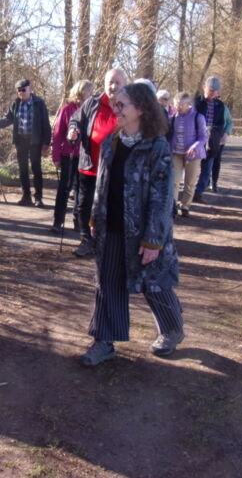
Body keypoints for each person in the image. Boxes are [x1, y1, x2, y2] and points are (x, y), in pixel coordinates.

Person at [78, 81, 184, 366]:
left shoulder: (157, 147)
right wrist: (93, 217)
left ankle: (172, 329)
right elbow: (101, 184)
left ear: (141, 109)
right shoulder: (112, 141)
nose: (116, 109)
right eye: (115, 104)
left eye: (122, 105)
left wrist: (153, 240)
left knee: (153, 283)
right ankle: (104, 340)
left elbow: (162, 199)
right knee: (108, 282)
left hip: (144, 232)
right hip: (110, 226)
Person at [67, 68, 128, 257]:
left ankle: (108, 242)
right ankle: (86, 240)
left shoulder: (128, 105)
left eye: (118, 82)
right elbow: (75, 119)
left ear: (125, 84)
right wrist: (73, 130)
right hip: (89, 165)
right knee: (84, 205)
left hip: (114, 168)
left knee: (110, 206)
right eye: (110, 82)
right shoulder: (92, 103)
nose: (113, 86)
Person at [0, 79, 51, 207]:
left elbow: (46, 124)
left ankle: (38, 198)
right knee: (23, 169)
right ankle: (26, 196)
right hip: (21, 140)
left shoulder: (39, 103)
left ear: (29, 89)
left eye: (24, 90)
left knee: (36, 169)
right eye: (19, 90)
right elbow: (9, 119)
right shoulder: (16, 104)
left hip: (35, 140)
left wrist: (46, 143)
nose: (21, 93)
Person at [50, 79, 94, 233]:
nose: (92, 94)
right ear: (81, 92)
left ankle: (79, 221)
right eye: (90, 91)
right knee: (64, 188)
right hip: (68, 154)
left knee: (81, 191)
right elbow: (57, 135)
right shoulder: (67, 109)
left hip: (85, 156)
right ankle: (58, 221)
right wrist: (55, 156)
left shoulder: (92, 110)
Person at [169, 92, 207, 218]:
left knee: (189, 183)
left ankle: (185, 206)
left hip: (193, 155)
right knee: (174, 181)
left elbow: (203, 137)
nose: (177, 107)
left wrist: (194, 147)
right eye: (175, 105)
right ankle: (173, 206)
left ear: (188, 104)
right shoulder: (173, 117)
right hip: (176, 153)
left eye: (180, 105)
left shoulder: (198, 117)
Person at [192, 76, 229, 202]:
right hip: (196, 139)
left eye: (215, 91)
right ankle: (187, 193)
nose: (212, 93)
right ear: (204, 88)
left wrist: (217, 135)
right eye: (210, 90)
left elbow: (221, 123)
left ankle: (198, 192)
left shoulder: (220, 105)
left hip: (212, 140)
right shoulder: (196, 102)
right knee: (191, 169)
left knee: (207, 168)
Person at [210, 104, 234, 192]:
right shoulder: (204, 105)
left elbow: (229, 122)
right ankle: (205, 181)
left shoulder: (223, 108)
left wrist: (226, 133)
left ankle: (214, 182)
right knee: (205, 161)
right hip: (206, 137)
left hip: (219, 137)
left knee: (216, 160)